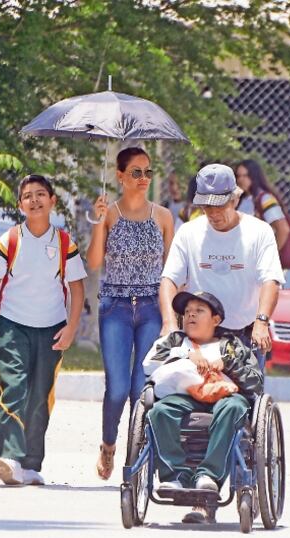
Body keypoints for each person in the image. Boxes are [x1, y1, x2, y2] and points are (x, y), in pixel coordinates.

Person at [0, 174, 87, 486]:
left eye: (41, 194)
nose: (35, 200)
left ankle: (29, 464)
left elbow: (77, 290)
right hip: (12, 327)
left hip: (51, 329)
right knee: (13, 387)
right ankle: (7, 457)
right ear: (19, 205)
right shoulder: (8, 241)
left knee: (40, 395)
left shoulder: (65, 243)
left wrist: (71, 328)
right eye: (28, 196)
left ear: (53, 201)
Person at [87, 147, 174, 481]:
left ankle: (136, 456)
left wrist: (172, 315)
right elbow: (94, 263)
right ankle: (108, 445)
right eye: (135, 172)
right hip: (116, 307)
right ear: (120, 176)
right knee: (118, 388)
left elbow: (172, 270)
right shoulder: (110, 213)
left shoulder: (163, 217)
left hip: (152, 306)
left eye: (147, 172)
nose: (143, 179)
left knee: (143, 389)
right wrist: (97, 221)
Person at [142, 291, 263, 524]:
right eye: (187, 312)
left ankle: (208, 475)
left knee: (234, 409)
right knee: (159, 411)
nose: (190, 316)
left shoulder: (231, 345)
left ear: (215, 319)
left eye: (198, 311)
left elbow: (255, 383)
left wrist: (227, 364)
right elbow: (149, 365)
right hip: (184, 396)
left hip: (224, 397)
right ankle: (175, 476)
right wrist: (186, 355)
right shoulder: (175, 341)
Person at [160, 163, 284, 356]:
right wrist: (169, 323)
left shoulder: (259, 231)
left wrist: (261, 322)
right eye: (207, 206)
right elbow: (169, 280)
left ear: (235, 199)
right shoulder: (188, 232)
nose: (214, 213)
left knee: (246, 387)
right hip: (199, 338)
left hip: (246, 336)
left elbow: (271, 281)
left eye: (220, 205)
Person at [235, 159, 290, 253]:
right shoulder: (242, 199)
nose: (240, 180)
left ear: (254, 176)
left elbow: (283, 229)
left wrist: (269, 255)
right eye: (238, 176)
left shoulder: (265, 199)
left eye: (245, 176)